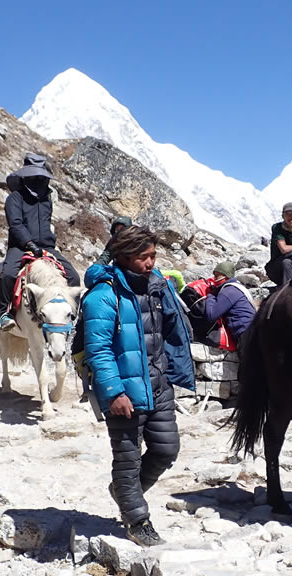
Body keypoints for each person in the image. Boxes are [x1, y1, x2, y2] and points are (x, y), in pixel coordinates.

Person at [80, 226, 195, 547]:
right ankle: (137, 521)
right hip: (123, 393)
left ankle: (124, 493)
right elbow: (98, 350)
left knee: (167, 449)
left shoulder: (157, 287)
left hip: (159, 387)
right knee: (127, 460)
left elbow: (171, 332)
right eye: (144, 257)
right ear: (125, 256)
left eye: (153, 256)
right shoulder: (104, 296)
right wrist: (114, 392)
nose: (150, 262)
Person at [0, 153, 80, 331]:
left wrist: (45, 244)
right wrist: (29, 243)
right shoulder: (15, 198)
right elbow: (15, 224)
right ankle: (2, 314)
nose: (39, 180)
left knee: (73, 276)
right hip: (20, 247)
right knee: (8, 274)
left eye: (41, 177)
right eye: (35, 177)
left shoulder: (46, 200)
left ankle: (70, 314)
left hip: (47, 247)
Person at [201, 261, 256, 346]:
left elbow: (211, 315)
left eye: (217, 275)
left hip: (245, 333)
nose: (214, 278)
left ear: (226, 276)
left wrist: (211, 294)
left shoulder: (229, 291)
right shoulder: (237, 287)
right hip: (251, 330)